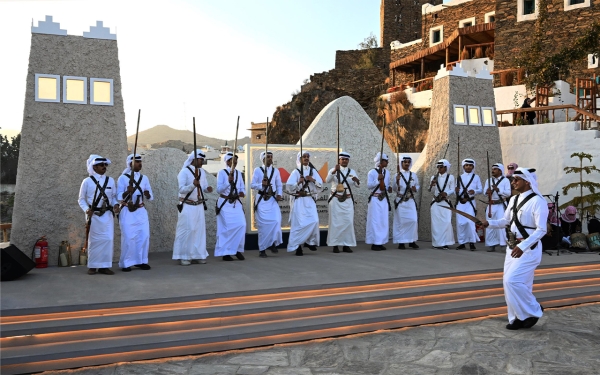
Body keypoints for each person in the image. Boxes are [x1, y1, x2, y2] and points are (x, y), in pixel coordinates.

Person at [482, 167, 547, 330]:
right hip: (512, 248)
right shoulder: (513, 200)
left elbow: (541, 229)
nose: (513, 182)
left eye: (516, 179)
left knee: (512, 280)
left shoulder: (538, 201)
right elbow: (505, 221)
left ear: (527, 181)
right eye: (512, 179)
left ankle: (534, 308)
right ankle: (518, 317)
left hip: (529, 249)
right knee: (512, 283)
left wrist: (523, 245)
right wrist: (489, 223)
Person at [78, 155, 119, 275]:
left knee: (108, 239)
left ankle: (105, 266)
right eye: (101, 165)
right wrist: (86, 210)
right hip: (94, 215)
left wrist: (116, 205)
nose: (104, 167)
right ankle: (93, 266)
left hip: (107, 215)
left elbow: (114, 197)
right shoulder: (87, 181)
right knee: (94, 241)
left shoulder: (110, 180)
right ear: (94, 167)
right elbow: (81, 199)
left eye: (105, 165)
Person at [173, 150, 213, 266]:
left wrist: (208, 189)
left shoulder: (202, 172)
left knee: (199, 231)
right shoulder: (184, 172)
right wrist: (192, 185)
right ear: (194, 159)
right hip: (187, 205)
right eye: (200, 159)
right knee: (188, 230)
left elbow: (204, 187)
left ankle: (198, 255)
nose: (202, 161)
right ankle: (185, 256)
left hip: (199, 205)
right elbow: (181, 190)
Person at [117, 154, 153, 272]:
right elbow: (118, 196)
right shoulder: (122, 178)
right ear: (130, 164)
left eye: (140, 161)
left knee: (143, 236)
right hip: (128, 210)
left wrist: (147, 194)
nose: (139, 164)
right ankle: (126, 263)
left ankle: (141, 261)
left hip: (141, 211)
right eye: (137, 162)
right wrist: (127, 192)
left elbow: (150, 196)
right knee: (128, 237)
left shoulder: (144, 178)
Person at [286, 151, 323, 256]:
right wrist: (298, 182)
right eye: (304, 157)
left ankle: (310, 242)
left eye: (307, 157)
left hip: (309, 199)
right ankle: (298, 246)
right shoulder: (296, 172)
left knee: (314, 221)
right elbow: (289, 187)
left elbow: (320, 185)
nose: (306, 158)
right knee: (299, 224)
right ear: (300, 159)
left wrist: (313, 180)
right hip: (299, 200)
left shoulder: (313, 171)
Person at [326, 152, 360, 253]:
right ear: (339, 160)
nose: (344, 161)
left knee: (348, 222)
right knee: (335, 223)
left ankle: (346, 244)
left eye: (346, 159)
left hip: (348, 200)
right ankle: (335, 245)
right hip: (336, 199)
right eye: (343, 159)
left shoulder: (351, 171)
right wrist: (334, 171)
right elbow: (327, 180)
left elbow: (358, 185)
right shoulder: (334, 170)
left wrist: (356, 180)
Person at [251, 151, 283, 258]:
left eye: (271, 157)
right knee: (263, 226)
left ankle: (273, 242)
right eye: (267, 157)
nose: (270, 159)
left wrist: (279, 194)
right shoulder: (257, 170)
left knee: (276, 220)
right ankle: (262, 249)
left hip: (272, 200)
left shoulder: (276, 171)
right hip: (262, 200)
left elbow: (279, 184)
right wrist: (261, 185)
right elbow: (252, 184)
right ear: (263, 159)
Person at [215, 152, 246, 261]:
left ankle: (237, 249)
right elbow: (219, 189)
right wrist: (228, 182)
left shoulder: (238, 173)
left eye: (236, 161)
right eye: (232, 160)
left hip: (236, 203)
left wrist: (243, 192)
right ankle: (226, 253)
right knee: (227, 228)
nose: (235, 163)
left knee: (242, 224)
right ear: (227, 161)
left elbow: (243, 187)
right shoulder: (222, 173)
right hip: (225, 203)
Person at [392, 155, 419, 249]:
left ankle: (412, 241)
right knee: (401, 222)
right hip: (401, 201)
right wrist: (397, 181)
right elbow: (394, 189)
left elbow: (417, 186)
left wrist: (415, 189)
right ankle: (401, 242)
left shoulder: (413, 175)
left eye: (408, 162)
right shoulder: (397, 175)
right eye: (405, 162)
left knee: (413, 220)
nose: (407, 163)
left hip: (410, 200)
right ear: (402, 163)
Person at [455, 158, 482, 250]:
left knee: (470, 222)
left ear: (473, 167)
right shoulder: (459, 177)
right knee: (460, 223)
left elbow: (480, 190)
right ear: (463, 167)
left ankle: (471, 242)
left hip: (470, 202)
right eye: (466, 165)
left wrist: (474, 191)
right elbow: (456, 191)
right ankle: (462, 243)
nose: (468, 167)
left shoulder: (476, 177)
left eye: (470, 165)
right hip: (460, 202)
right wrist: (456, 191)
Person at [367, 152, 392, 251]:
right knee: (375, 221)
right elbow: (369, 186)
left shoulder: (387, 172)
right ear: (380, 162)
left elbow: (386, 185)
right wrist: (378, 180)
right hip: (375, 199)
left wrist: (389, 188)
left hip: (384, 199)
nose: (387, 162)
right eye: (386, 160)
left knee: (383, 220)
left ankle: (381, 242)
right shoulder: (372, 172)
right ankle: (374, 242)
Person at [483, 163, 511, 252]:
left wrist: (499, 190)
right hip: (491, 205)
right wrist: (487, 192)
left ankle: (503, 244)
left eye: (495, 169)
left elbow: (508, 193)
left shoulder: (505, 180)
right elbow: (484, 192)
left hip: (500, 205)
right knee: (490, 224)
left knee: (501, 224)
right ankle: (491, 244)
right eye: (492, 169)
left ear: (500, 171)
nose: (493, 171)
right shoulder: (489, 180)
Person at [429, 159, 455, 249]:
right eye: (438, 167)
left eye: (441, 167)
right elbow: (431, 191)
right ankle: (436, 243)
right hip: (436, 202)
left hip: (445, 202)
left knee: (446, 222)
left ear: (446, 167)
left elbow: (452, 189)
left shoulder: (451, 177)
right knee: (436, 223)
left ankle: (445, 242)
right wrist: (432, 185)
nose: (439, 168)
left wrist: (446, 193)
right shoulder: (434, 177)